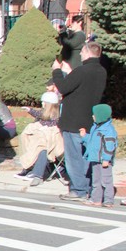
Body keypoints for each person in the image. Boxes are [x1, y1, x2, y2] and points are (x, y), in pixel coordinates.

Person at [53, 42, 108, 201]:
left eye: (82, 52)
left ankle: (79, 189)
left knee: (74, 157)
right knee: (86, 155)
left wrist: (56, 71)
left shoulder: (82, 70)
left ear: (88, 53)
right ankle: (88, 186)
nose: (80, 55)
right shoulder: (101, 71)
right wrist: (70, 72)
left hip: (73, 120)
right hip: (89, 118)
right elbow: (81, 86)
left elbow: (63, 87)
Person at [15, 91, 64, 187]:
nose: (42, 104)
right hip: (40, 139)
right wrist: (29, 110)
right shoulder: (44, 113)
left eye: (44, 102)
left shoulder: (55, 116)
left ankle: (36, 173)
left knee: (42, 148)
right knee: (32, 138)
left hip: (51, 142)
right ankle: (30, 168)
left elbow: (51, 128)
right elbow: (38, 114)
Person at [80, 103, 118, 207]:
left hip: (104, 160)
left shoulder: (108, 130)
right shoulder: (95, 128)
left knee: (106, 180)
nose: (92, 116)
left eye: (94, 114)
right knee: (96, 181)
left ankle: (108, 200)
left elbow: (110, 146)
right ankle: (96, 199)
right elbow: (92, 142)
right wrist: (84, 136)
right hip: (95, 159)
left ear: (101, 116)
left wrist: (106, 159)